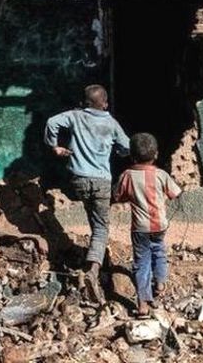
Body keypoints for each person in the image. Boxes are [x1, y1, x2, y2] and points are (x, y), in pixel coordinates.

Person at [44, 84, 130, 302]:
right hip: (102, 182)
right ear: (105, 104)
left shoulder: (75, 116)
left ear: (84, 103)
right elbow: (127, 147)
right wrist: (118, 150)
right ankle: (93, 269)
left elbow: (52, 122)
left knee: (94, 220)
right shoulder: (111, 123)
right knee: (101, 228)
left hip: (79, 180)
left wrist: (54, 146)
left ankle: (93, 255)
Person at [113, 133, 183, 316]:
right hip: (160, 225)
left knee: (141, 261)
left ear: (132, 156)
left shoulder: (127, 175)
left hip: (140, 228)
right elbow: (175, 193)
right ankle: (159, 283)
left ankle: (142, 303)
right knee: (159, 251)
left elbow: (118, 196)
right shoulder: (161, 175)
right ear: (156, 154)